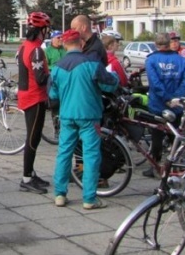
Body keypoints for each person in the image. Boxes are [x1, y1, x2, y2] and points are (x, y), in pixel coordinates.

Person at [50, 29, 119, 209]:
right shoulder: (91, 63)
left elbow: (52, 94)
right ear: (81, 43)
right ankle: (89, 198)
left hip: (66, 116)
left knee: (64, 153)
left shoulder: (57, 67)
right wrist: (116, 77)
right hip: (89, 116)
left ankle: (59, 194)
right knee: (91, 155)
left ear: (65, 45)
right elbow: (109, 84)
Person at [143, 32, 185, 177]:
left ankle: (155, 166)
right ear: (169, 43)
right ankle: (178, 164)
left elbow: (155, 83)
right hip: (176, 105)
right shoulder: (181, 60)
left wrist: (166, 98)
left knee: (157, 136)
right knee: (174, 135)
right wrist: (176, 98)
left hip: (158, 104)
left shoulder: (151, 60)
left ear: (155, 44)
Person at [17, 11, 52, 194]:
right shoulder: (36, 50)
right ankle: (26, 178)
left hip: (26, 95)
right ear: (42, 30)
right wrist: (54, 75)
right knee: (33, 138)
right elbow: (40, 78)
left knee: (33, 137)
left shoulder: (25, 46)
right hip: (35, 97)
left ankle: (30, 173)